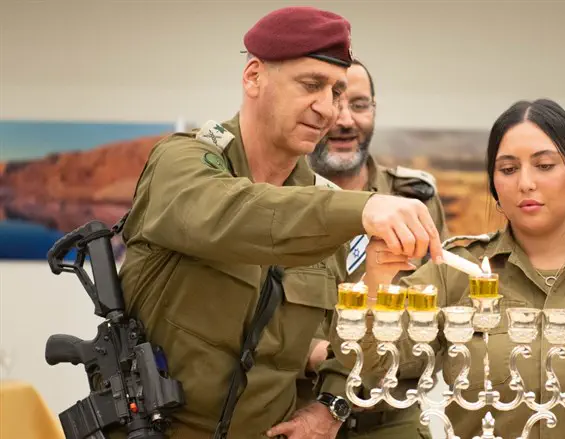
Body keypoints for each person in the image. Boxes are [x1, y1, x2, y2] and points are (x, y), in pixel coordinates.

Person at [117, 7, 444, 439]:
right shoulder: (181, 163)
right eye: (311, 85)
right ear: (253, 76)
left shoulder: (329, 209)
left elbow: (355, 345)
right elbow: (233, 214)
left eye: (337, 92)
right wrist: (362, 209)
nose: (327, 109)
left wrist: (330, 405)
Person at [346, 98, 565, 438]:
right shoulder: (457, 269)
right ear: (494, 186)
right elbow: (377, 369)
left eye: (545, 165)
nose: (525, 183)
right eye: (507, 169)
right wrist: (377, 279)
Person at [295, 59, 449, 439]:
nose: (346, 120)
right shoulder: (280, 202)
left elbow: (433, 313)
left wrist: (339, 358)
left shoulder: (415, 198)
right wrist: (309, 354)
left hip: (389, 417)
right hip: (297, 415)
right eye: (335, 103)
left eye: (360, 105)